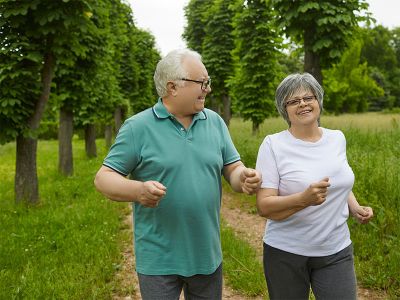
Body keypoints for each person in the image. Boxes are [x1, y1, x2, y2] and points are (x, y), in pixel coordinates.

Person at [94, 48, 261, 300]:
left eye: (208, 82)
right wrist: (138, 191)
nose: (208, 89)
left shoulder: (214, 122)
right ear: (172, 87)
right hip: (158, 259)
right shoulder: (138, 127)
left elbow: (232, 168)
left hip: (206, 255)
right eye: (202, 83)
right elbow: (103, 178)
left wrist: (243, 177)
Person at [255, 73, 374, 300]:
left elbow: (339, 182)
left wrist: (355, 207)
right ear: (284, 109)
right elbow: (264, 206)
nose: (303, 104)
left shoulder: (337, 138)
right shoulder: (273, 145)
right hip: (285, 253)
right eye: (293, 101)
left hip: (336, 250)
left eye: (308, 97)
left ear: (318, 101)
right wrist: (304, 199)